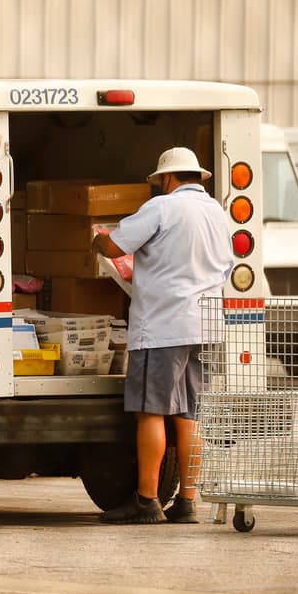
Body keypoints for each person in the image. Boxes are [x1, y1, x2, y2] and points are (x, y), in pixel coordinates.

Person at [90, 146, 232, 524]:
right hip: (205, 324)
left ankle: (146, 499)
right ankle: (186, 501)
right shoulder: (217, 212)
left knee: (150, 412)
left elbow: (118, 245)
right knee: (189, 415)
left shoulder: (162, 208)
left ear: (167, 178)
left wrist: (99, 241)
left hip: (163, 327)